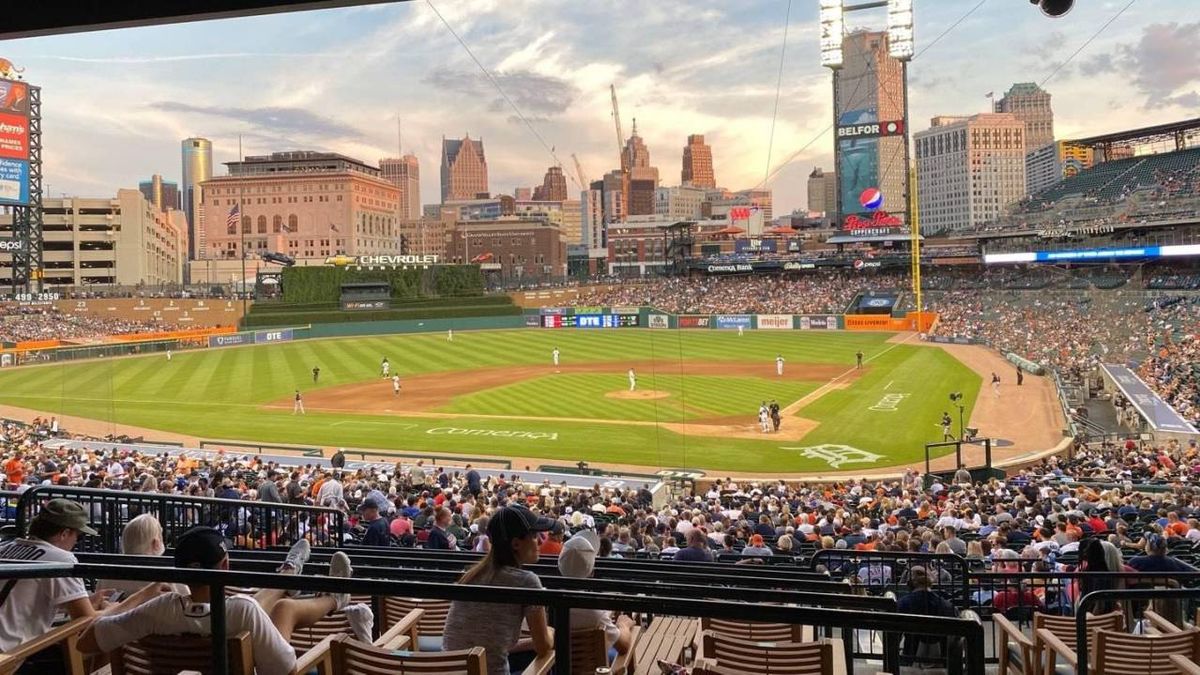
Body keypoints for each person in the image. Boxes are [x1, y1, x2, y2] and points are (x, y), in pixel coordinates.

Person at [79, 529, 370, 675]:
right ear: (226, 565)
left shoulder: (158, 609)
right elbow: (284, 671)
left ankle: (288, 575)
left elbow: (85, 643)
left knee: (254, 605)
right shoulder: (243, 610)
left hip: (193, 638)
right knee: (283, 609)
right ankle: (333, 597)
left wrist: (145, 595)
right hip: (241, 627)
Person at [0, 499, 163, 674]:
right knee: (106, 637)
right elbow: (88, 620)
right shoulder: (60, 559)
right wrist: (135, 600)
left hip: (8, 649)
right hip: (9, 659)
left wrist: (88, 600)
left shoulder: (7, 547)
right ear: (64, 533)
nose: (77, 541)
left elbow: (21, 598)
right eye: (78, 535)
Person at [442, 505, 554, 674]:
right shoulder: (527, 581)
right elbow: (544, 647)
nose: (540, 541)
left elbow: (488, 641)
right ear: (516, 544)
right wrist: (551, 632)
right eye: (534, 535)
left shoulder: (472, 575)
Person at [557, 531, 636, 664]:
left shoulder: (547, 602)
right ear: (591, 571)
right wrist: (624, 625)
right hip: (594, 667)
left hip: (557, 666)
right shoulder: (592, 611)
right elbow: (623, 646)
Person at [896, 567, 958, 664]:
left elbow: (895, 636)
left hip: (910, 656)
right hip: (943, 659)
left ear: (910, 583)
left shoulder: (903, 603)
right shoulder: (947, 606)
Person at [1129, 534, 1199, 572]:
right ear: (1165, 548)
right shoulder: (1173, 562)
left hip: (1143, 596)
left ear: (1149, 547)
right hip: (1171, 596)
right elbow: (1194, 572)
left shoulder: (1136, 561)